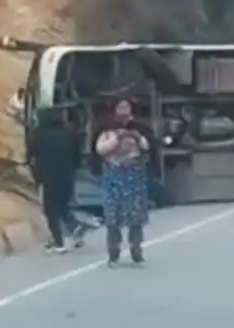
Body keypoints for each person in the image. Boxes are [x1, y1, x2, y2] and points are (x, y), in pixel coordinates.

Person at [94, 98, 152, 267]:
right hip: (114, 178)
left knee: (136, 218)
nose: (124, 111)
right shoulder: (106, 130)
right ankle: (113, 255)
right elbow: (100, 149)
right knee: (113, 218)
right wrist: (116, 139)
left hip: (134, 177)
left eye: (127, 107)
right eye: (120, 107)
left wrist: (137, 138)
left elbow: (147, 146)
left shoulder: (139, 128)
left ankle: (137, 253)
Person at [28, 107, 87, 253]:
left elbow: (31, 154)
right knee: (62, 204)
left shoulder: (38, 134)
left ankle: (58, 241)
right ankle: (74, 227)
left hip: (48, 175)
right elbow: (77, 153)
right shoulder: (69, 131)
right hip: (67, 174)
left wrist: (35, 173)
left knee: (50, 209)